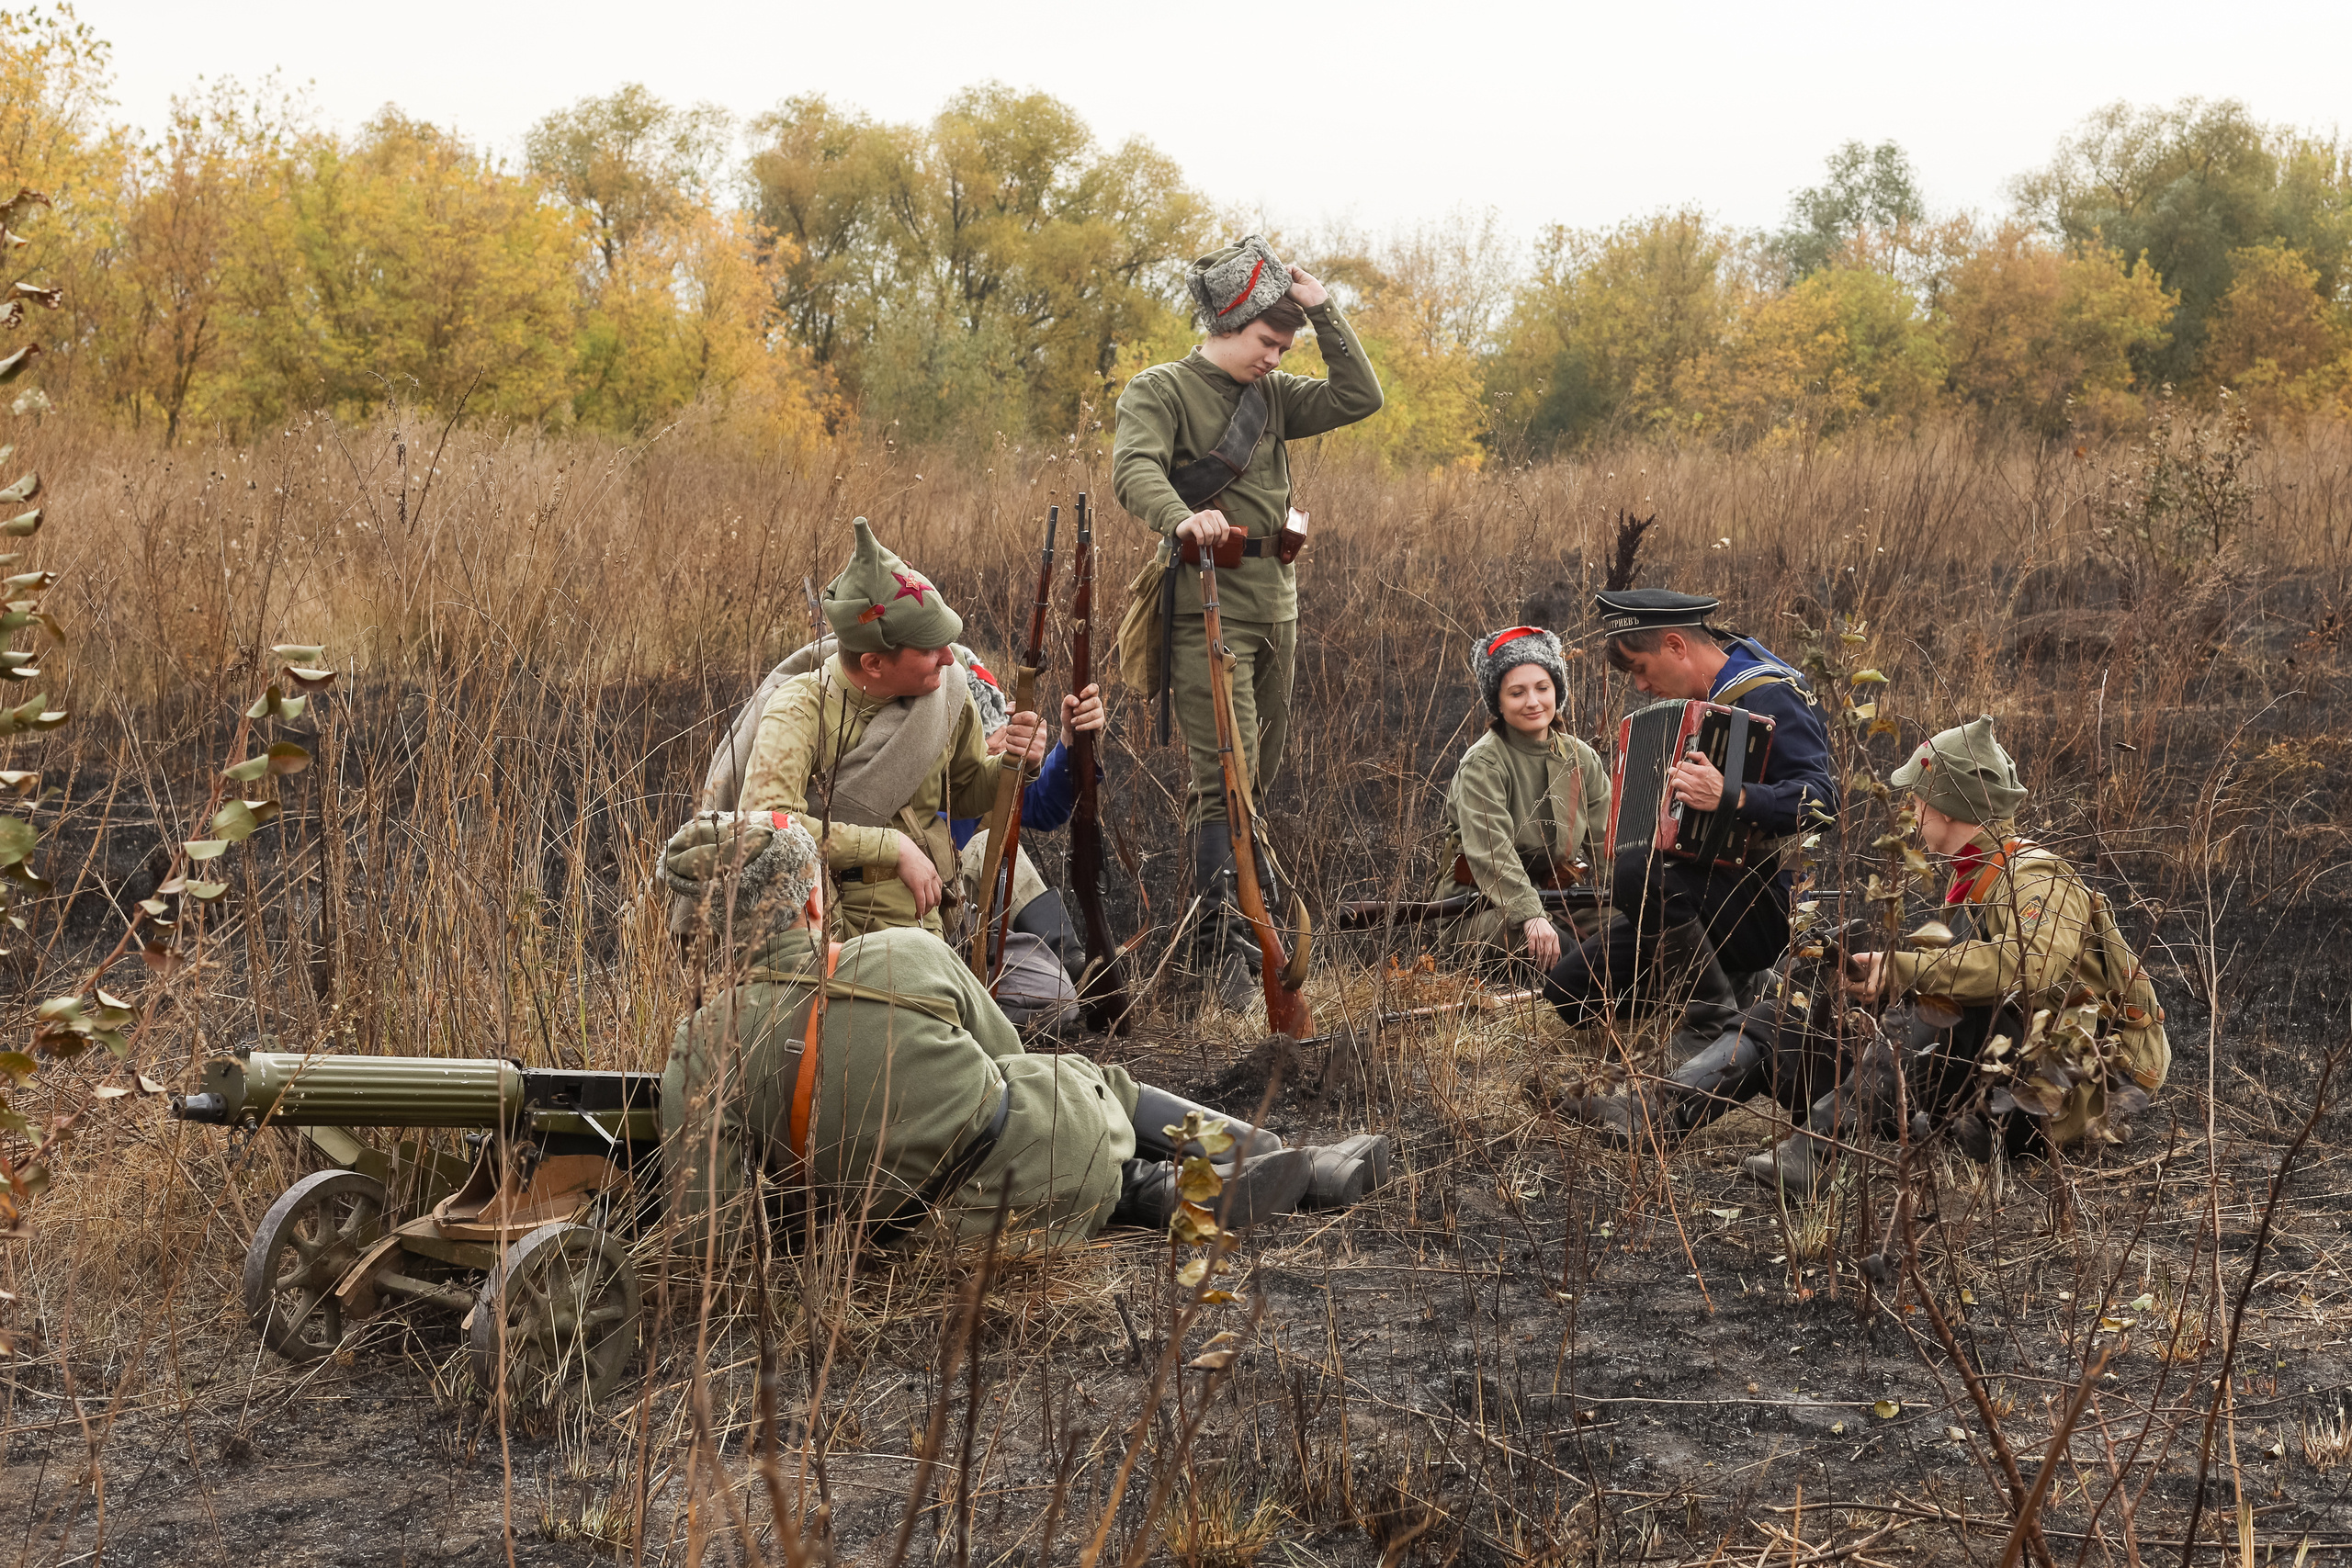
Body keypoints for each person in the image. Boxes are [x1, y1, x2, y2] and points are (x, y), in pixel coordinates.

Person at [656, 812, 1393, 1252]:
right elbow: (1010, 1063)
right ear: (813, 906)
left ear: (704, 934)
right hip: (1047, 1156)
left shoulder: (697, 1048)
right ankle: (1273, 1155)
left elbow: (708, 1236)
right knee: (1089, 1085)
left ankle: (1162, 1190)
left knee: (1044, 1152)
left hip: (918, 1238)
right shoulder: (904, 951)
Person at [1112, 233, 1384, 1002]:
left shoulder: (1274, 396)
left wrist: (1323, 309)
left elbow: (1359, 397)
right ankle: (1220, 958)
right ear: (1227, 324)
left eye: (1284, 346)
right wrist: (1180, 517)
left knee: (1255, 773)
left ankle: (1237, 933)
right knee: (1222, 775)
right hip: (1206, 598)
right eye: (1267, 341)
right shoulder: (1161, 389)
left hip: (1276, 601)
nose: (1274, 357)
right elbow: (1133, 469)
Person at [1742, 716, 2169, 1190]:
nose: (1911, 813)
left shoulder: (2035, 878)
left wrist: (1904, 969)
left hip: (2054, 1094)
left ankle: (1815, 1152)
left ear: (1946, 808)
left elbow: (2027, 969)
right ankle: (1672, 1118)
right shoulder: (1975, 877)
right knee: (1770, 1022)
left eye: (1917, 801)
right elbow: (1960, 970)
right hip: (2000, 1079)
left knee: (1944, 1003)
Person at [1544, 590, 1837, 1061]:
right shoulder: (1696, 704)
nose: (1640, 685)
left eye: (1641, 668)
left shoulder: (1768, 692)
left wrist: (1733, 796)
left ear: (1677, 646)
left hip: (1765, 901)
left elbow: (1824, 799)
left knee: (1637, 870)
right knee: (1569, 989)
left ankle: (1712, 1024)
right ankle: (1747, 989)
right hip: (1700, 896)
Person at [733, 518, 1049, 941]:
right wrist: (891, 847)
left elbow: (965, 790)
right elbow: (768, 828)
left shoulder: (946, 693)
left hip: (937, 914)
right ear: (874, 663)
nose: (950, 659)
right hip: (842, 933)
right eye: (931, 649)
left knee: (1055, 979)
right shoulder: (800, 711)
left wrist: (1014, 761)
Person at [1431, 626, 1611, 978]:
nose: (1533, 701)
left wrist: (1635, 900)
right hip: (1478, 908)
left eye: (1543, 688)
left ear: (1557, 691)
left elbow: (1608, 842)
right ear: (1498, 702)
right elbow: (1491, 852)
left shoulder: (1582, 758)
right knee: (1554, 945)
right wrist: (1530, 914)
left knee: (1636, 928)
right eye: (1517, 693)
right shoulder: (1483, 764)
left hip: (1556, 898)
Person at [946, 647, 1105, 1031]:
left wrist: (1070, 742)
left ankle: (1075, 968)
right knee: (985, 844)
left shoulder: (979, 753)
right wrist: (986, 765)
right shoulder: (914, 756)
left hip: (972, 920)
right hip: (933, 916)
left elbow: (1042, 807)